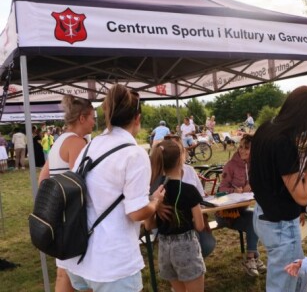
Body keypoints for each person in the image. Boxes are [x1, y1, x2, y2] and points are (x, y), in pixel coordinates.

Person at [62, 84, 165, 291]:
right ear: (137, 118)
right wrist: (155, 202)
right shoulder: (135, 154)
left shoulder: (90, 145)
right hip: (112, 262)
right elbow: (136, 213)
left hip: (79, 256)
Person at [250, 85, 307, 292]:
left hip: (264, 214)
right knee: (283, 285)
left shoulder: (267, 128)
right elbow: (302, 197)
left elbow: (272, 173)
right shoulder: (284, 142)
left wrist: (304, 176)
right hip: (281, 225)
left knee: (298, 277)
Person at [38, 94, 95, 292]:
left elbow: (42, 180)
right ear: (82, 118)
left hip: (59, 217)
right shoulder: (77, 143)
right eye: (92, 117)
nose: (94, 122)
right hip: (73, 218)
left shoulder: (59, 141)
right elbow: (79, 184)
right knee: (85, 276)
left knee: (63, 273)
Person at [146, 139, 205, 292]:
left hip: (165, 248)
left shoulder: (156, 192)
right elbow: (199, 225)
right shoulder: (190, 190)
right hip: (186, 248)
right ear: (181, 159)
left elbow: (148, 225)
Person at [216, 134, 265, 277]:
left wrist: (253, 185)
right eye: (241, 147)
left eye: (247, 148)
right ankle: (252, 258)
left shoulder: (254, 165)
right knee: (253, 219)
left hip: (242, 210)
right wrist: (234, 191)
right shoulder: (230, 165)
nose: (242, 150)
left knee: (256, 217)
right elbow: (220, 191)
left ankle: (253, 257)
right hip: (226, 214)